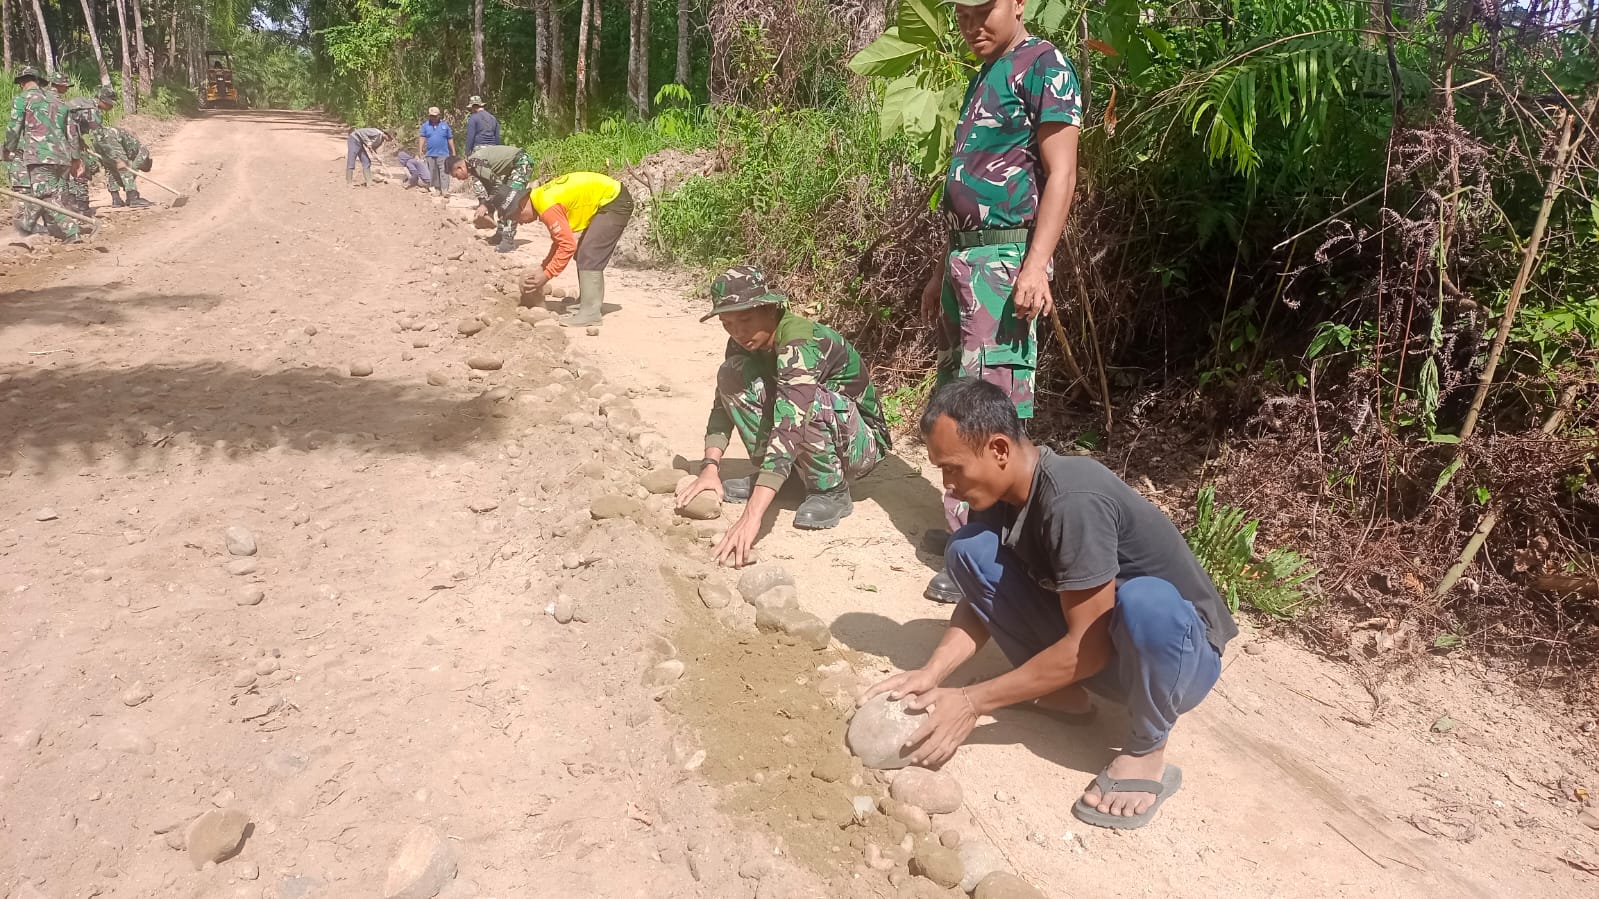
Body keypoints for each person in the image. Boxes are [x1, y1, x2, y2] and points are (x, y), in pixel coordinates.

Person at [864, 378, 1235, 830]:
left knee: (1145, 599)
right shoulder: (998, 491)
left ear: (999, 449)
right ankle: (1065, 696)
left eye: (953, 469)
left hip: (1177, 657)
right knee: (969, 550)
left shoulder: (1072, 500)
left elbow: (1090, 647)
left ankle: (1146, 748)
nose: (948, 485)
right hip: (1110, 643)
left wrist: (972, 701)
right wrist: (933, 671)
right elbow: (982, 601)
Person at [921, 0, 1084, 605]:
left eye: (984, 11)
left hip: (1005, 263)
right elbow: (971, 181)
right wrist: (942, 269)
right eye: (962, 15)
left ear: (1018, 4)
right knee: (957, 397)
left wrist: (1037, 265)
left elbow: (1061, 173)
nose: (972, 25)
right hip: (967, 258)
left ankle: (985, 549)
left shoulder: (1044, 64)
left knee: (989, 409)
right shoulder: (984, 73)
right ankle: (970, 531)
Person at [675, 266, 891, 567]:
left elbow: (791, 420)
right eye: (727, 323)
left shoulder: (800, 342)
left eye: (746, 319)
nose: (737, 331)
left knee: (806, 402)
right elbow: (721, 405)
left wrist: (752, 516)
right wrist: (710, 467)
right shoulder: (741, 343)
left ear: (770, 308)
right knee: (731, 375)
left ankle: (830, 489)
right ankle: (787, 478)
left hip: (860, 445)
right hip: (815, 426)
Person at [514, 172, 634, 328]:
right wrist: (543, 268)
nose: (519, 222)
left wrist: (546, 275)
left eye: (516, 216)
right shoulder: (540, 198)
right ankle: (586, 302)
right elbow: (560, 241)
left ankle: (591, 312)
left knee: (589, 254)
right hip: (608, 200)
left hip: (614, 201)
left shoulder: (547, 206)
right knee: (583, 252)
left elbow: (567, 246)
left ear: (523, 204)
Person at [3, 66, 83, 241]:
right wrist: (76, 158)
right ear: (40, 82)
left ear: (22, 83)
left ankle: (71, 230)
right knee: (48, 193)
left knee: (45, 195)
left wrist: (7, 149)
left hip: (40, 156)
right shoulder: (60, 102)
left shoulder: (23, 99)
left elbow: (14, 128)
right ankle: (27, 225)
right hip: (63, 157)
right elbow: (72, 133)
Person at [445, 145, 532, 254]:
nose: (458, 179)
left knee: (510, 199)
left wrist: (485, 205)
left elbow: (497, 187)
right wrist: (489, 212)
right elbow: (492, 192)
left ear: (460, 168)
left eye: (456, 176)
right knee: (502, 197)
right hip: (511, 167)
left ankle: (508, 241)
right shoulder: (473, 168)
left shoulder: (476, 164)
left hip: (521, 163)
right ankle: (500, 234)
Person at [91, 87, 152, 208]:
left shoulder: (92, 110)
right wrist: (128, 184)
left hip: (98, 139)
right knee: (124, 165)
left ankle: (116, 199)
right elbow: (131, 169)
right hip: (109, 138)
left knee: (110, 168)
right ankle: (133, 197)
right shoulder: (144, 152)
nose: (112, 107)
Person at [418, 106, 454, 197]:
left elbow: (450, 139)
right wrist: (420, 149)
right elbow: (422, 138)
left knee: (444, 171)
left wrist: (453, 151)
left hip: (443, 153)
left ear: (439, 116)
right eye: (431, 116)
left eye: (435, 116)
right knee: (433, 172)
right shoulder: (425, 126)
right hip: (430, 153)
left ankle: (445, 190)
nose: (433, 117)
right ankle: (437, 189)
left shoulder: (445, 126)